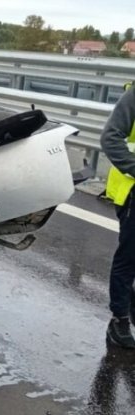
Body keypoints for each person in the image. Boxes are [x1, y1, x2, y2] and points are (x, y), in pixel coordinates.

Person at [103, 81, 135, 349]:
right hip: (133, 190)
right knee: (129, 257)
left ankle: (130, 302)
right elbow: (110, 138)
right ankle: (119, 320)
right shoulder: (133, 96)